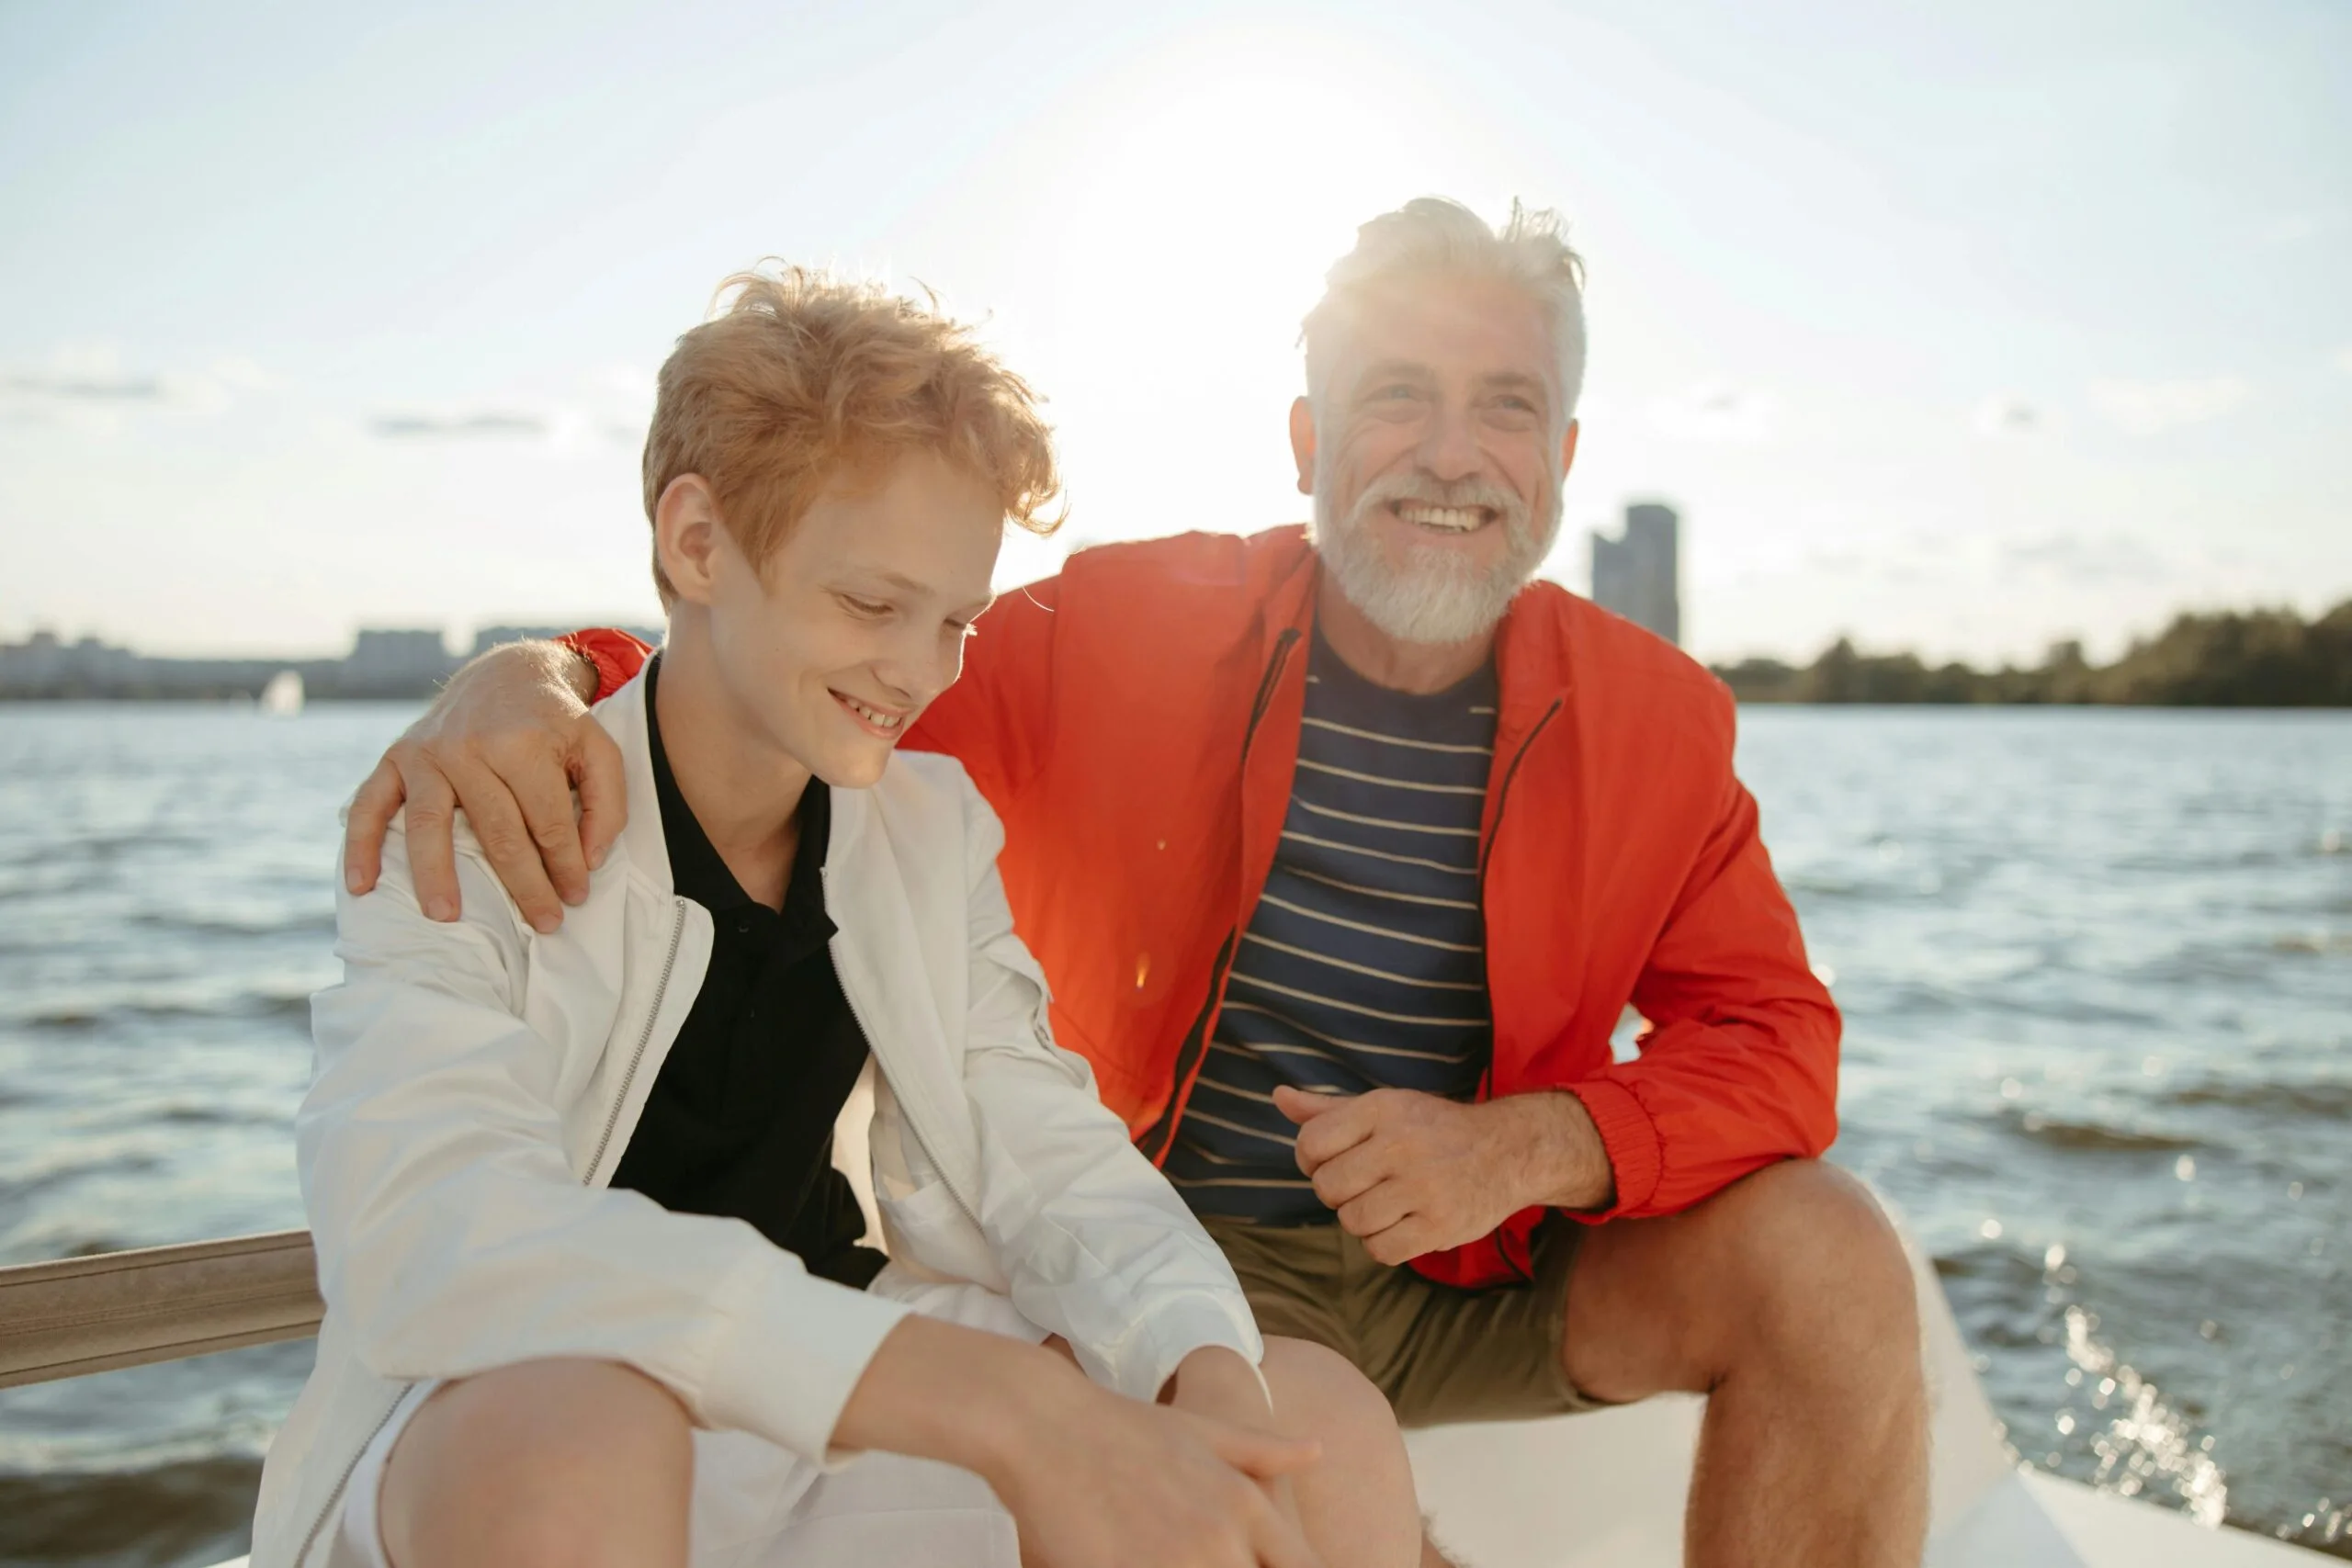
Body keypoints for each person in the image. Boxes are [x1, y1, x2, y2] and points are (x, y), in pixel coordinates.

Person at [348, 200, 1930, 1567]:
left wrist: (1528, 1145)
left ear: (1565, 455)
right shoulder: (1120, 631)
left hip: (1480, 1257)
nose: (1454, 454)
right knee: (1285, 1444)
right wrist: (546, 675)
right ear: (1308, 439)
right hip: (1193, 1233)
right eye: (1397, 396)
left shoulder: (1660, 721)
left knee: (1830, 1255)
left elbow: (1783, 1047)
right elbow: (777, 694)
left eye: (1505, 406)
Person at [256, 266, 1426, 1568]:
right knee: (582, 1441)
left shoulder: (928, 829)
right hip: (516, 1422)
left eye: (957, 621)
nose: (921, 671)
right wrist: (993, 1404)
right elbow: (430, 1226)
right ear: (697, 543)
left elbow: (1042, 1142)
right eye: (873, 605)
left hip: (837, 1415)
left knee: (1313, 1426)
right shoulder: (474, 806)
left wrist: (1196, 1360)